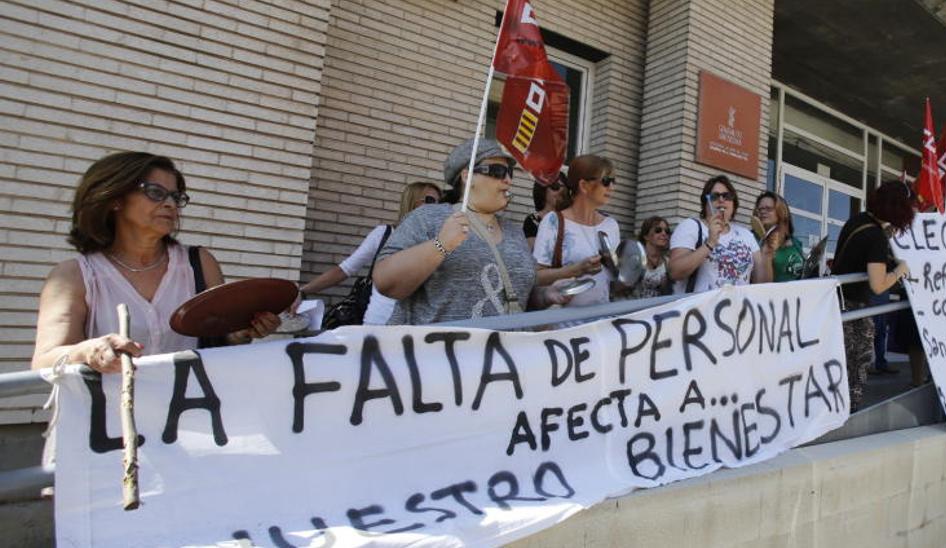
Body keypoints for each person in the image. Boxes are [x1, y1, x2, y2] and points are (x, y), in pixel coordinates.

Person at [32, 152, 281, 372]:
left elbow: (218, 343)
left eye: (176, 196)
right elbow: (44, 361)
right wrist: (87, 352)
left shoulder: (198, 263)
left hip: (185, 418)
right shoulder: (75, 275)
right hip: (105, 421)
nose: (170, 204)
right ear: (115, 199)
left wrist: (242, 333)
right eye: (155, 193)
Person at [373, 139, 570, 324]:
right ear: (467, 176)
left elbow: (518, 292)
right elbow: (385, 282)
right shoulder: (427, 218)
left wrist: (546, 296)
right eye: (498, 171)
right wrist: (440, 245)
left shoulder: (513, 231)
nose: (508, 180)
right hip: (438, 356)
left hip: (501, 355)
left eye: (510, 172)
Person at [831, 179, 917, 408]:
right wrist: (899, 270)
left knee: (840, 358)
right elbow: (878, 285)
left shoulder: (857, 221)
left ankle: (838, 403)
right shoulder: (876, 237)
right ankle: (850, 406)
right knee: (859, 358)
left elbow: (858, 257)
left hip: (835, 300)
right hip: (853, 305)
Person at [298, 182, 435, 325]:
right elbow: (345, 269)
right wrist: (301, 292)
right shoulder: (384, 234)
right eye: (430, 200)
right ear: (411, 202)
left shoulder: (439, 243)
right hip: (377, 325)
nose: (437, 207)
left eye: (441, 202)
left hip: (418, 330)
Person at [532, 155, 621, 308]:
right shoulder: (553, 221)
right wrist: (574, 270)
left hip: (602, 322)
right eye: (606, 181)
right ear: (584, 185)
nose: (612, 187)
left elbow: (615, 280)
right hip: (565, 326)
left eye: (613, 182)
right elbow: (535, 277)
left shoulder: (610, 225)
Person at [668, 175, 772, 293]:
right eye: (714, 196)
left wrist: (767, 255)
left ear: (733, 204)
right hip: (702, 310)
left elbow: (761, 286)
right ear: (705, 203)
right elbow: (675, 272)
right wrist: (709, 243)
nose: (721, 200)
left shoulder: (746, 235)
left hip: (739, 310)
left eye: (727, 196)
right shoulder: (691, 226)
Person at [753, 192, 804, 282]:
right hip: (773, 295)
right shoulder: (753, 240)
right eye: (760, 209)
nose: (763, 212)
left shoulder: (795, 242)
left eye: (768, 209)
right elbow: (760, 285)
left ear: (781, 211)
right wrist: (766, 256)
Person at [621, 216, 672, 300]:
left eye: (667, 231)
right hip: (634, 310)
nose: (664, 234)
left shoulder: (668, 262)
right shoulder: (634, 258)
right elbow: (618, 289)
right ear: (646, 236)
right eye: (658, 230)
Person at [523, 172, 567, 249]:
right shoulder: (532, 221)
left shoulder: (569, 220)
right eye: (555, 186)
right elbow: (533, 253)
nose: (560, 192)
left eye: (564, 189)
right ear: (542, 190)